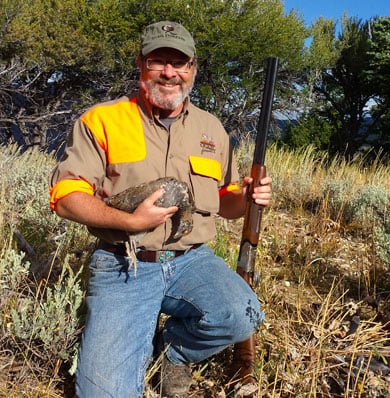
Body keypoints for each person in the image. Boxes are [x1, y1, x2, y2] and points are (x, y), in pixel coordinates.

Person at [49, 20, 271, 397]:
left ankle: (174, 352)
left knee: (243, 315)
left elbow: (226, 204)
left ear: (193, 69)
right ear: (141, 64)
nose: (170, 72)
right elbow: (66, 197)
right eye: (158, 61)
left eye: (180, 63)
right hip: (125, 262)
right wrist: (129, 221)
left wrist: (247, 196)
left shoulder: (211, 129)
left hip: (192, 260)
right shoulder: (103, 120)